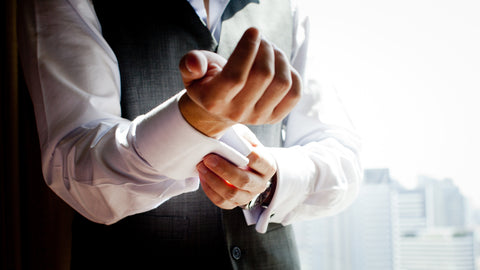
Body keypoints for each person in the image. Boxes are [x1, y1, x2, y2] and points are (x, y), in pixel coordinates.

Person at [18, 0, 362, 269]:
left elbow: (343, 160)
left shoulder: (287, 6)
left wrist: (271, 179)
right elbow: (76, 166)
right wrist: (196, 118)